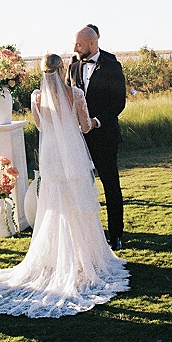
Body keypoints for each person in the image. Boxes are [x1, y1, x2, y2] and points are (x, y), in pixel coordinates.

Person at [0, 55, 129, 318]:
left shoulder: (36, 97)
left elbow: (40, 125)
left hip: (52, 157)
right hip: (73, 156)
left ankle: (56, 256)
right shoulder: (75, 94)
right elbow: (85, 126)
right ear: (62, 70)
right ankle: (86, 255)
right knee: (79, 201)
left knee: (54, 203)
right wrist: (95, 122)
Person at [67, 25, 126, 250]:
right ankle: (87, 234)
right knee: (81, 185)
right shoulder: (72, 66)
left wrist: (96, 122)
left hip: (105, 136)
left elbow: (118, 103)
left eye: (79, 44)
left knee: (111, 185)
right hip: (79, 139)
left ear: (92, 44)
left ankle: (116, 234)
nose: (74, 48)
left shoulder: (112, 66)